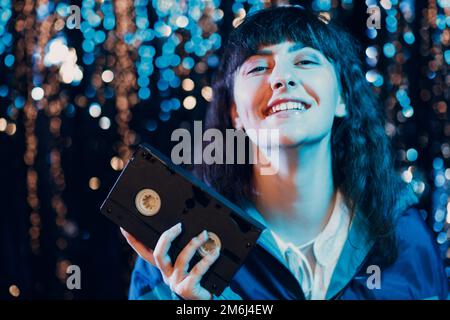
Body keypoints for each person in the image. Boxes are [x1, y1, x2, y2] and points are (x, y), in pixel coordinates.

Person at [121, 6, 448, 300]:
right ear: (235, 113)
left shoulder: (406, 240)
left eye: (305, 61)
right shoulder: (174, 254)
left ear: (341, 100)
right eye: (257, 68)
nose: (281, 77)